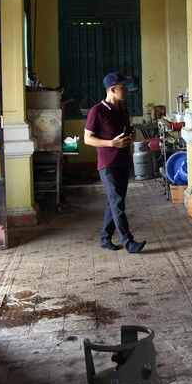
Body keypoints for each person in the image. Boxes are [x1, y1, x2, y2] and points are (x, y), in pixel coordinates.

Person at [84, 72, 146, 253]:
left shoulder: (123, 110)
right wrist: (111, 143)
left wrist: (130, 136)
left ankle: (105, 238)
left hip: (123, 162)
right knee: (117, 202)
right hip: (108, 164)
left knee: (115, 201)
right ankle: (129, 242)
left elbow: (122, 132)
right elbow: (88, 139)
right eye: (123, 87)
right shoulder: (97, 111)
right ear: (112, 89)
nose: (126, 90)